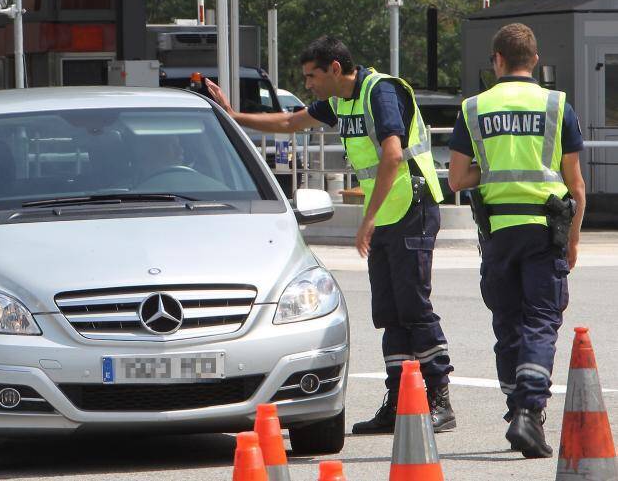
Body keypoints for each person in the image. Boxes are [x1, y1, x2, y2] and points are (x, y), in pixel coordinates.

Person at [206, 36, 455, 434]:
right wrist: (234, 116)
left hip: (411, 208)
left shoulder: (380, 91)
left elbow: (393, 154)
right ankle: (399, 400)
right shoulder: (340, 102)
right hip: (387, 212)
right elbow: (291, 122)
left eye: (312, 76)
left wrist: (368, 219)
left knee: (414, 307)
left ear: (335, 69)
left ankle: (439, 397)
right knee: (389, 313)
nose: (308, 84)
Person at [448, 23, 586, 458]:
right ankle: (530, 411)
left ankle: (516, 412)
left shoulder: (473, 108)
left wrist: (490, 171)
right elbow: (576, 185)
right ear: (536, 60)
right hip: (545, 231)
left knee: (507, 325)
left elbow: (456, 178)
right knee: (541, 322)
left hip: (498, 234)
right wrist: (575, 239)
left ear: (498, 61)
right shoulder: (556, 104)